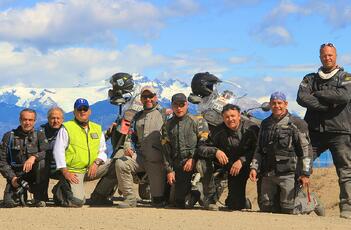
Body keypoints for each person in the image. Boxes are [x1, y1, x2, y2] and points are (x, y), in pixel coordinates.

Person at [296, 43, 351, 219]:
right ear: (320, 57)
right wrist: (324, 106)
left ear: (336, 56)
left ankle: (347, 208)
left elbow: (344, 96)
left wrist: (318, 94)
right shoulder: (310, 78)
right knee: (300, 166)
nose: (327, 58)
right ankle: (307, 202)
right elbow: (301, 97)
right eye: (324, 55)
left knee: (345, 171)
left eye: (330, 55)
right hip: (314, 133)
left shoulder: (346, 77)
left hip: (340, 132)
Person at [249, 92, 323, 215]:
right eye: (273, 103)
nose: (276, 106)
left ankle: (312, 202)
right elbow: (259, 148)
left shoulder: (297, 123)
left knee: (289, 209)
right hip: (268, 172)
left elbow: (306, 150)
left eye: (279, 103)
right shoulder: (265, 123)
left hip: (289, 172)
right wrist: (254, 167)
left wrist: (305, 173)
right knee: (266, 208)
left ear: (286, 104)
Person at [197, 104, 259, 211]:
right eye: (227, 117)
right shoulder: (218, 130)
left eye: (233, 116)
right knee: (203, 160)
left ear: (239, 116)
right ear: (223, 118)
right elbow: (201, 147)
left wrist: (242, 160)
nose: (230, 119)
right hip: (227, 164)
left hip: (244, 166)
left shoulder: (251, 128)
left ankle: (242, 200)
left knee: (235, 205)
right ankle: (210, 198)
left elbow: (258, 149)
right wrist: (216, 151)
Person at [53, 98, 111, 207]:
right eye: (79, 109)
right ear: (74, 112)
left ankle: (99, 196)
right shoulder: (67, 128)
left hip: (92, 168)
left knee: (115, 164)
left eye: (85, 109)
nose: (82, 111)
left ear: (89, 111)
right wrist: (65, 172)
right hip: (74, 171)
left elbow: (103, 150)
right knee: (78, 202)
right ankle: (60, 189)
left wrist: (96, 163)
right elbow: (58, 151)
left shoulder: (97, 128)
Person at [115, 86, 166, 208]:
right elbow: (130, 135)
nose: (148, 99)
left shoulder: (164, 114)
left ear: (156, 97)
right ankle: (130, 199)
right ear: (141, 99)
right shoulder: (137, 116)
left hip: (158, 162)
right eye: (144, 97)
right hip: (141, 158)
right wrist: (128, 146)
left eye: (150, 96)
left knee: (158, 202)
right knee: (121, 163)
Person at [161, 93, 209, 209]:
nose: (179, 108)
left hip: (196, 161)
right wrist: (169, 170)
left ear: (187, 104)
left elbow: (204, 143)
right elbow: (165, 150)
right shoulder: (167, 125)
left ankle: (207, 195)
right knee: (179, 203)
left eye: (182, 105)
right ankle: (194, 193)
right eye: (176, 105)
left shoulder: (198, 121)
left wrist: (193, 158)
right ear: (172, 106)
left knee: (204, 165)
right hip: (180, 165)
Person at [0, 108, 49, 207]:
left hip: (34, 175)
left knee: (42, 162)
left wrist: (34, 157)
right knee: (10, 203)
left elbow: (46, 152)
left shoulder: (39, 135)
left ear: (34, 121)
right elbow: (2, 161)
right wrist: (12, 178)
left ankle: (38, 196)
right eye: (25, 119)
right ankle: (21, 193)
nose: (27, 122)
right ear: (20, 120)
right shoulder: (9, 136)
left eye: (30, 120)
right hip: (16, 176)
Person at [40, 107, 65, 202]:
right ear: (48, 119)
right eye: (53, 118)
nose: (55, 121)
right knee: (41, 164)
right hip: (44, 167)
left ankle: (58, 191)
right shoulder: (40, 131)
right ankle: (41, 195)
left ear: (62, 119)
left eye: (58, 118)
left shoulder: (67, 131)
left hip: (62, 167)